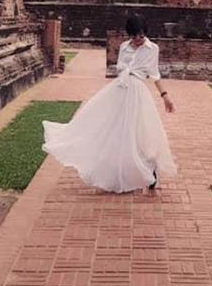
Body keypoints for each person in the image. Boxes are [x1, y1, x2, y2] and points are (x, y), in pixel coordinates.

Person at [42, 15, 176, 193]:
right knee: (114, 131)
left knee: (143, 133)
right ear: (130, 35)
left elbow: (154, 74)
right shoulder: (124, 47)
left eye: (141, 36)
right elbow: (120, 68)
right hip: (119, 91)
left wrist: (165, 96)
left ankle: (150, 173)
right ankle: (115, 174)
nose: (138, 40)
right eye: (134, 36)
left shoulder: (153, 49)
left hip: (138, 93)